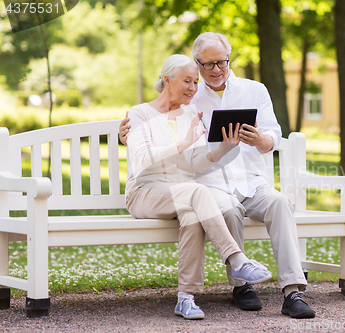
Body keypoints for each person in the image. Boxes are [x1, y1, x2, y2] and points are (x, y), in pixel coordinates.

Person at [120, 34, 315, 319]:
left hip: (251, 181)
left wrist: (258, 140)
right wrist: (126, 134)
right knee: (228, 209)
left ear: (229, 58)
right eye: (206, 65)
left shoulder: (253, 90)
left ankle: (292, 291)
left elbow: (272, 135)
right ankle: (242, 284)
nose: (214, 70)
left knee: (280, 203)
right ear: (196, 64)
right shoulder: (188, 98)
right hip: (207, 185)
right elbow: (154, 126)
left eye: (221, 62)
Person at [125, 54, 272, 320]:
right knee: (197, 192)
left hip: (182, 193)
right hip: (145, 192)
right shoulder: (140, 113)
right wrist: (182, 144)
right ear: (167, 79)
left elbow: (195, 164)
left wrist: (225, 148)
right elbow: (141, 159)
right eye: (187, 81)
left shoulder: (190, 113)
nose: (194, 88)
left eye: (195, 81)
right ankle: (236, 259)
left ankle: (185, 298)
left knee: (193, 215)